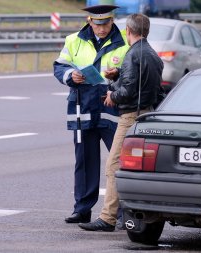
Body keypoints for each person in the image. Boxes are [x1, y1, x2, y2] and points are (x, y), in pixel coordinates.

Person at [79, 13, 164, 232]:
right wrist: (118, 74)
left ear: (128, 30)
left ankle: (108, 218)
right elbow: (146, 86)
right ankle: (131, 213)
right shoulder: (152, 54)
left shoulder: (132, 54)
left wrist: (112, 95)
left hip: (130, 117)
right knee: (136, 168)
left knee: (114, 165)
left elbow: (129, 90)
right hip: (147, 114)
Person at [53, 5, 130, 224]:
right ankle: (82, 208)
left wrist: (118, 74)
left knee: (119, 162)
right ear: (89, 21)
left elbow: (135, 69)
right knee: (84, 161)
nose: (102, 29)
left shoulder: (125, 40)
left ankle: (125, 212)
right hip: (83, 107)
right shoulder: (73, 40)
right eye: (97, 25)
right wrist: (71, 75)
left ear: (112, 21)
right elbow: (60, 66)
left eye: (106, 24)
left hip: (112, 108)